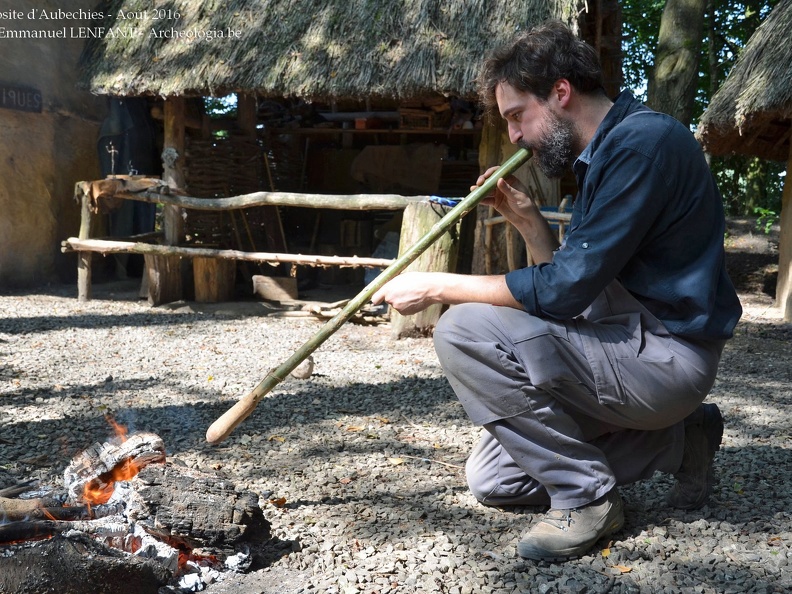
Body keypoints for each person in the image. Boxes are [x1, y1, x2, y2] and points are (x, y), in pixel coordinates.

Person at [371, 20, 742, 562]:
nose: (515, 136)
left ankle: (589, 500)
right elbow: (578, 291)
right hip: (624, 342)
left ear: (560, 93)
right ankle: (681, 441)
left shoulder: (642, 147)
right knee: (493, 481)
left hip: (667, 357)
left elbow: (565, 293)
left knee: (463, 329)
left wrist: (438, 284)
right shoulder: (606, 154)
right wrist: (525, 219)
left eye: (517, 116)